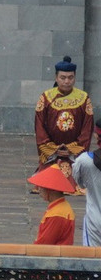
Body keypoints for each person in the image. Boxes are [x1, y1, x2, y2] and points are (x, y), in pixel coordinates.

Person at [35, 56, 93, 192]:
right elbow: (39, 126)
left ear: (75, 78)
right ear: (56, 78)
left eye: (70, 77)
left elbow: (87, 128)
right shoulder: (46, 97)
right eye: (63, 77)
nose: (67, 81)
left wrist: (71, 149)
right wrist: (53, 148)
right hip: (52, 151)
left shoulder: (83, 98)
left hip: (74, 151)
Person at [28, 164, 76, 245]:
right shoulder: (61, 207)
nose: (39, 190)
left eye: (41, 187)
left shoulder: (57, 214)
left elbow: (44, 244)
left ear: (50, 190)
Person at [72, 117, 101, 246]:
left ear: (96, 135)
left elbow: (80, 182)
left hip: (95, 220)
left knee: (93, 261)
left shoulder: (84, 161)